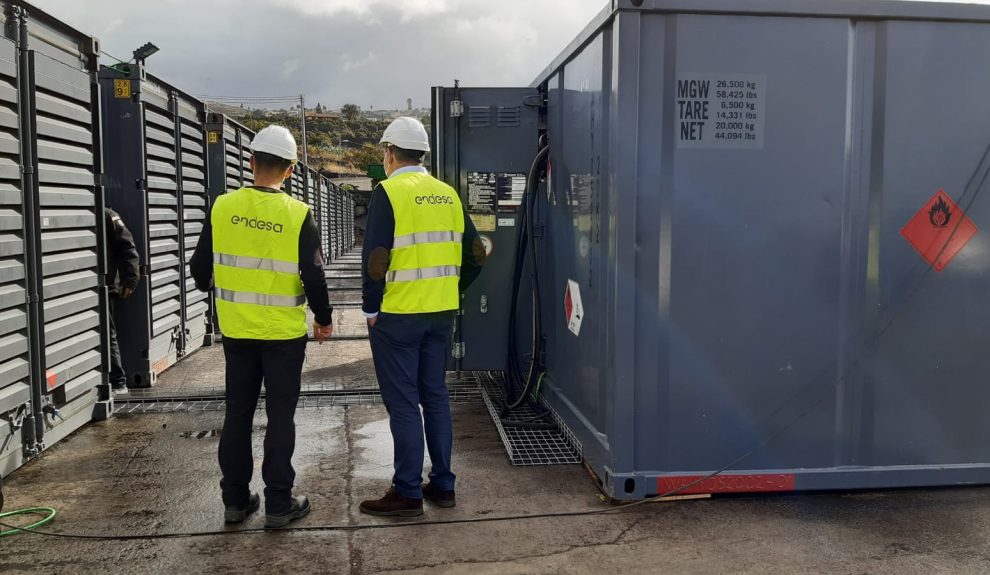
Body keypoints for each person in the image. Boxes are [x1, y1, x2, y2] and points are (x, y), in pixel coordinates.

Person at [189, 125, 335, 528]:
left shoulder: (221, 207)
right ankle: (278, 504)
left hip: (237, 331)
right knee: (280, 416)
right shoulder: (298, 214)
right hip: (283, 335)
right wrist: (323, 319)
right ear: (289, 170)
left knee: (237, 413)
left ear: (250, 162)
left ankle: (235, 501)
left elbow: (200, 270)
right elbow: (314, 276)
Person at [359, 117, 486, 517]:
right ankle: (444, 485)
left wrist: (370, 309)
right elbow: (476, 254)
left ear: (391, 153)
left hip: (398, 316)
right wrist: (453, 289)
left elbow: (376, 259)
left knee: (403, 404)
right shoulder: (448, 194)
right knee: (435, 397)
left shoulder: (389, 192)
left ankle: (408, 491)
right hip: (440, 314)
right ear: (424, 154)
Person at [105, 208, 140, 393]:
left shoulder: (107, 215)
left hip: (107, 285)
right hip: (101, 284)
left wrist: (131, 280)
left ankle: (118, 382)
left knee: (108, 335)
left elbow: (128, 248)